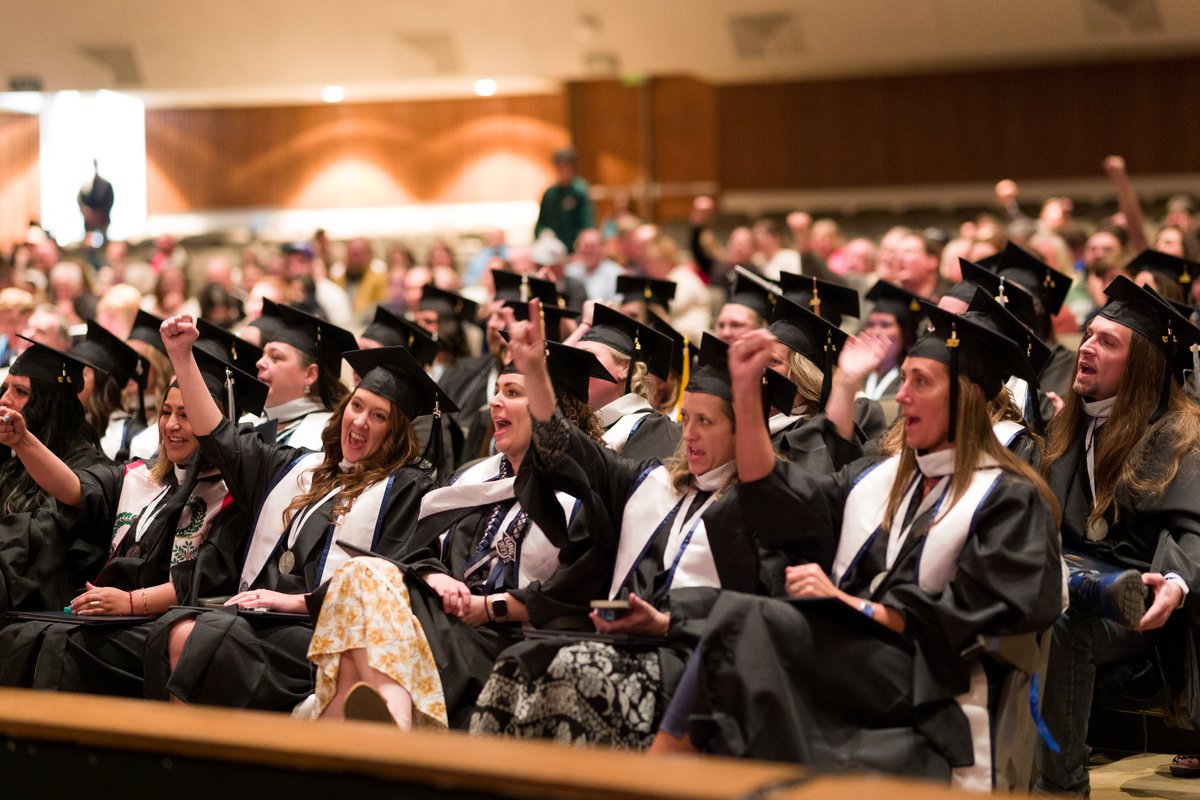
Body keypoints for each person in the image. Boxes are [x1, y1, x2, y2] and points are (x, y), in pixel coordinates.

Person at [652, 305, 1063, 792]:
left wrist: (855, 605)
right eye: (903, 378)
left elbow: (986, 611)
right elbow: (784, 499)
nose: (902, 395)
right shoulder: (878, 478)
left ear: (967, 397)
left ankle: (659, 774)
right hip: (860, 657)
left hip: (929, 676)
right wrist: (745, 394)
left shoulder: (1010, 497)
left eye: (921, 383)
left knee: (745, 621)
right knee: (739, 622)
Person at [469, 318, 795, 747]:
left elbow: (763, 611)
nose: (690, 435)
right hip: (616, 644)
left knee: (580, 672)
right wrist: (535, 376)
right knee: (514, 667)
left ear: (742, 430)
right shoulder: (650, 482)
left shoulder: (764, 507)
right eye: (687, 418)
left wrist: (665, 623)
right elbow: (573, 451)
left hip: (691, 659)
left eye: (707, 422)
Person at [300, 338, 610, 728]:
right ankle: (389, 722)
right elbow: (418, 550)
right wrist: (436, 576)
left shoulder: (583, 494)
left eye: (511, 393)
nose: (494, 401)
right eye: (496, 390)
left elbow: (577, 591)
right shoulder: (473, 476)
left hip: (511, 640)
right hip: (450, 623)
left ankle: (371, 728)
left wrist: (491, 607)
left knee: (356, 631)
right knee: (361, 572)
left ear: (554, 411)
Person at [143, 319, 445, 711]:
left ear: (396, 431)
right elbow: (220, 437)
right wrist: (182, 358)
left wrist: (298, 602)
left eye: (378, 416)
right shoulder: (297, 467)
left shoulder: (405, 489)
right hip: (259, 616)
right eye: (356, 406)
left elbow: (386, 583)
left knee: (195, 636)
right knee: (172, 628)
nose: (359, 421)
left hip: (319, 630)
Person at [0, 350, 266, 694]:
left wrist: (126, 602)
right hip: (111, 614)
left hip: (160, 622)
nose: (171, 425)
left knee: (60, 648)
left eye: (186, 415)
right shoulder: (140, 475)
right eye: (166, 412)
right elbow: (74, 489)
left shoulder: (231, 498)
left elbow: (202, 582)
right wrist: (22, 441)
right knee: (19, 638)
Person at [1035, 276, 1200, 795]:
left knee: (1066, 621)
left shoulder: (1176, 435)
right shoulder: (1068, 430)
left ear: (1142, 365)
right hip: (1071, 580)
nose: (1086, 347)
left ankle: (1062, 788)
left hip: (1142, 606)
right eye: (1087, 335)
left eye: (1107, 342)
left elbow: (1193, 532)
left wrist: (1175, 582)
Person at [0, 341, 110, 618]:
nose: (4, 399)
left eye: (21, 391)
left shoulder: (87, 470)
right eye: (6, 388)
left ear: (51, 404)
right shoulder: (11, 463)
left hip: (43, 608)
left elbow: (38, 546)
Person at [565, 304, 680, 462]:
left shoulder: (653, 430)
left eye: (587, 357)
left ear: (625, 369)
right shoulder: (572, 423)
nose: (575, 367)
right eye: (573, 359)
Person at [253, 300, 356, 451]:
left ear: (310, 374)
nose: (260, 363)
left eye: (275, 357)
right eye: (263, 355)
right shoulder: (249, 421)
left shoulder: (328, 436)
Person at [71, 320, 148, 462]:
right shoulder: (66, 424)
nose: (71, 379)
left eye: (82, 373)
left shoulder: (130, 436)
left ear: (103, 384)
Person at [860, 280, 925, 403]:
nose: (875, 332)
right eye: (870, 324)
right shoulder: (857, 376)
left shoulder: (911, 381)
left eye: (885, 325)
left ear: (905, 334)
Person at [535, 147, 594, 253]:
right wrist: (545, 234)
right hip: (553, 251)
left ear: (572, 168)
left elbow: (587, 224)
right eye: (559, 167)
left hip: (575, 251)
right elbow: (540, 225)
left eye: (566, 167)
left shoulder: (580, 190)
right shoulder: (549, 193)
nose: (562, 170)